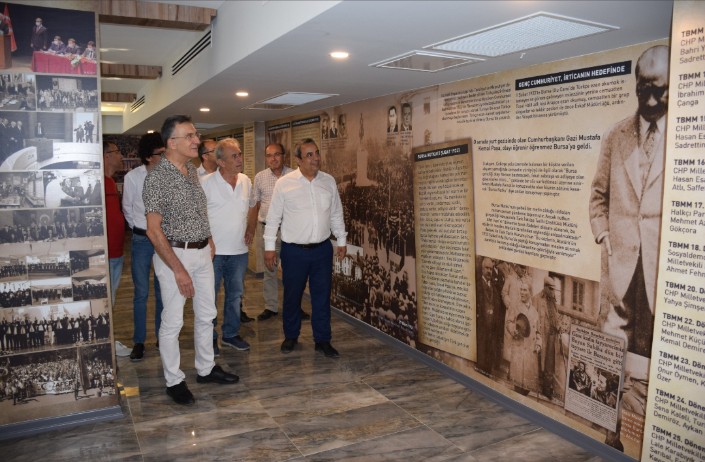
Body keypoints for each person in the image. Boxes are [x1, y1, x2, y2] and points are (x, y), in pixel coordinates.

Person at [143, 115, 238, 405]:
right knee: (172, 322)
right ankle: (174, 380)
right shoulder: (157, 178)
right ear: (171, 142)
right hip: (175, 255)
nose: (197, 140)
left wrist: (208, 238)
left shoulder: (192, 171)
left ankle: (206, 368)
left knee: (207, 314)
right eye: (190, 136)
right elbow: (153, 230)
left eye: (195, 135)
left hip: (202, 253)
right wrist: (178, 269)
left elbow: (199, 209)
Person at [589, 45, 669, 358]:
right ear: (635, 86)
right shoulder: (614, 136)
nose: (650, 101)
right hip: (620, 266)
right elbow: (598, 195)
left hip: (659, 270)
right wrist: (603, 234)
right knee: (611, 353)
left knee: (649, 355)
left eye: (659, 91)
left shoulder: (687, 138)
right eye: (643, 90)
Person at [264, 138, 346, 357]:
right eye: (309, 155)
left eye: (317, 153)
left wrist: (341, 240)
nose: (315, 158)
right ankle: (291, 336)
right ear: (298, 160)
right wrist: (269, 247)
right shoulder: (285, 183)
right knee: (292, 296)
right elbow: (273, 218)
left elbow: (336, 213)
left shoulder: (328, 181)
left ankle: (323, 340)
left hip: (322, 250)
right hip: (294, 251)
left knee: (322, 297)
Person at [201, 138, 253, 353]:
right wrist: (208, 239)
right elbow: (198, 217)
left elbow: (253, 205)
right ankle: (210, 338)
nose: (240, 159)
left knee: (235, 296)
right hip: (213, 253)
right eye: (234, 156)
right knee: (209, 297)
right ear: (221, 162)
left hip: (239, 251)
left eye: (239, 154)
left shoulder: (246, 181)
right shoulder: (205, 183)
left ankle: (231, 334)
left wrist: (251, 227)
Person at [248, 142, 306, 321]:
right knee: (270, 270)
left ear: (284, 156)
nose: (273, 159)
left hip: (291, 231)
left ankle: (294, 307)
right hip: (268, 231)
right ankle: (270, 307)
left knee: (293, 272)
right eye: (269, 155)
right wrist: (251, 229)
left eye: (277, 154)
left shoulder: (296, 176)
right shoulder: (260, 177)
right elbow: (255, 204)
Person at [122, 133, 165, 362]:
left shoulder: (170, 176)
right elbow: (127, 208)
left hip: (164, 240)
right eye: (160, 153)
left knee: (163, 290)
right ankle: (139, 341)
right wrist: (140, 228)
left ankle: (162, 337)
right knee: (141, 293)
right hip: (141, 240)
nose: (164, 157)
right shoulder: (132, 177)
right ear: (148, 156)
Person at [505, 282, 541, 396]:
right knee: (518, 385)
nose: (522, 292)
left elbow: (538, 332)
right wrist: (513, 330)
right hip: (519, 349)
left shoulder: (535, 312)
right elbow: (509, 322)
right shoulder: (515, 307)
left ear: (530, 292)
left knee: (527, 388)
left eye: (525, 290)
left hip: (530, 353)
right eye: (521, 290)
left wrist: (539, 344)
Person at [533, 276, 566, 400]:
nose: (553, 292)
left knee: (550, 363)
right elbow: (533, 318)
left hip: (552, 335)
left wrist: (559, 326)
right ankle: (538, 385)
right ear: (545, 287)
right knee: (539, 360)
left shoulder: (553, 300)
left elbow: (556, 317)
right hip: (541, 334)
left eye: (554, 289)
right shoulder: (537, 299)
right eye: (551, 289)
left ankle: (547, 388)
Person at [102, 141, 125, 306]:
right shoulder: (99, 183)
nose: (121, 156)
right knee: (107, 301)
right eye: (117, 152)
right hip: (106, 254)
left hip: (117, 252)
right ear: (106, 156)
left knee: (112, 298)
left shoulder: (110, 182)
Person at [475, 257, 500, 375]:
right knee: (481, 354)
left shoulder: (494, 288)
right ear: (482, 269)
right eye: (487, 268)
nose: (489, 271)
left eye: (491, 269)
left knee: (489, 355)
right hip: (480, 326)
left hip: (491, 328)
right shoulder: (477, 286)